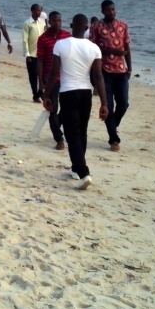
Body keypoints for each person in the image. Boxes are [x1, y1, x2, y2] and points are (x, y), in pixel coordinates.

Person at [43, 14, 108, 190]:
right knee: (82, 131)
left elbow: (53, 72)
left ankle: (84, 172)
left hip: (68, 92)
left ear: (71, 25)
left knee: (72, 134)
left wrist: (46, 95)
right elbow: (98, 76)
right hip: (86, 93)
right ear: (87, 28)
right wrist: (104, 103)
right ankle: (76, 168)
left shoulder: (61, 45)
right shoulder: (94, 48)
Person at [88, 0, 131, 152]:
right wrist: (112, 52)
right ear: (102, 11)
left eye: (113, 9)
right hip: (104, 71)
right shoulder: (96, 27)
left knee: (124, 103)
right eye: (108, 10)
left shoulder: (123, 26)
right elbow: (92, 49)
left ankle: (112, 125)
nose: (111, 12)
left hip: (121, 71)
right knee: (108, 105)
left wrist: (129, 68)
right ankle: (114, 139)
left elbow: (126, 48)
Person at [36, 12, 71, 150]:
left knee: (67, 109)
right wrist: (41, 81)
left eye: (59, 20)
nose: (57, 23)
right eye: (54, 21)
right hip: (51, 79)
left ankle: (57, 124)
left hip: (67, 78)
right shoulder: (43, 39)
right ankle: (59, 138)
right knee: (52, 109)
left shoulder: (67, 36)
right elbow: (40, 61)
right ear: (49, 22)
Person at [23, 3, 47, 103]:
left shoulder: (43, 22)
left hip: (42, 54)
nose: (38, 12)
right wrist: (27, 54)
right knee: (33, 76)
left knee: (42, 75)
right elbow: (25, 39)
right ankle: (35, 95)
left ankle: (41, 93)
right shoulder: (27, 23)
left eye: (40, 10)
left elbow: (46, 35)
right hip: (32, 55)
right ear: (32, 11)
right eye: (37, 10)